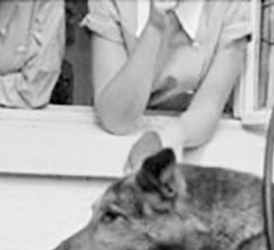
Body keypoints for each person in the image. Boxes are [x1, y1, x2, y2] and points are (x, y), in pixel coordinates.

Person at [83, 0, 251, 152]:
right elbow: (115, 118)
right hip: (115, 147)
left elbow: (206, 110)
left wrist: (166, 139)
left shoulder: (231, 6)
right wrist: (155, 27)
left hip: (192, 153)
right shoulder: (114, 4)